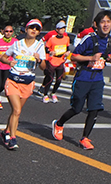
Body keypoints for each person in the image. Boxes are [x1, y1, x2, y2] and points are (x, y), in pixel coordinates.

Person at [52, 11, 111, 150]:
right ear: (96, 25)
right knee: (77, 108)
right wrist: (90, 58)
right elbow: (73, 56)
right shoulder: (89, 38)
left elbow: (106, 56)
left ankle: (85, 138)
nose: (106, 24)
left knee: (94, 109)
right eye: (103, 22)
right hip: (83, 77)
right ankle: (59, 123)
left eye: (108, 21)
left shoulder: (109, 40)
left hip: (97, 79)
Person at [0, 18, 46, 150]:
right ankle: (12, 138)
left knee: (16, 112)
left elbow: (43, 67)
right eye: (31, 28)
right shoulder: (17, 44)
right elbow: (3, 56)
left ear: (39, 32)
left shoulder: (40, 46)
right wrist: (9, 62)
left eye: (36, 29)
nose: (33, 30)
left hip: (28, 82)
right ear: (26, 29)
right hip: (13, 80)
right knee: (17, 110)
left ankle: (6, 132)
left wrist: (39, 59)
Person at [40, 21, 70, 103]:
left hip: (61, 61)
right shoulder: (52, 39)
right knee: (50, 78)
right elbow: (46, 48)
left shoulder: (66, 39)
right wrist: (50, 52)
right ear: (57, 29)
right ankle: (45, 94)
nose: (63, 30)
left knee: (59, 80)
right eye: (61, 28)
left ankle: (53, 93)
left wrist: (68, 53)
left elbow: (67, 48)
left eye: (64, 28)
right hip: (52, 61)